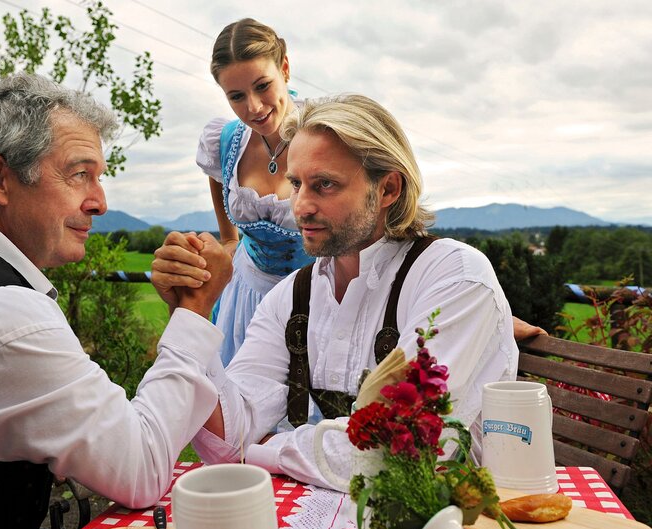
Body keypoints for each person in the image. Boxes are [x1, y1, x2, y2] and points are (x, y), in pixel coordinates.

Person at [0, 73, 230, 529]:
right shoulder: (0, 315)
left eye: (99, 178)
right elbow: (140, 466)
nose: (100, 202)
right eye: (79, 174)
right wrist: (193, 310)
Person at [153, 94, 519, 488]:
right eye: (296, 184)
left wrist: (267, 446)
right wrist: (190, 310)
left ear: (388, 189)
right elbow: (228, 434)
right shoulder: (293, 295)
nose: (301, 206)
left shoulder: (453, 276)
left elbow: (397, 452)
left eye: (324, 185)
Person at [197, 18, 313, 366]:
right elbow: (218, 176)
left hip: (314, 298)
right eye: (236, 96)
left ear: (285, 68)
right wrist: (228, 237)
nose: (254, 107)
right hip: (247, 294)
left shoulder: (324, 133)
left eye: (263, 86)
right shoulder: (227, 139)